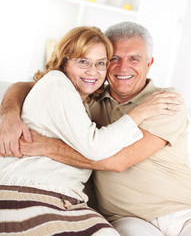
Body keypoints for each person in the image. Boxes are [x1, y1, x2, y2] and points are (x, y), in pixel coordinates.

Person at [0, 21, 190, 236]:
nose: (123, 67)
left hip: (179, 211)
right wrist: (8, 115)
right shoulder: (88, 97)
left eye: (134, 59)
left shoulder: (162, 101)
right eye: (114, 59)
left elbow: (117, 161)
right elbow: (30, 85)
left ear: (150, 63)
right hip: (127, 219)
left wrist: (47, 147)